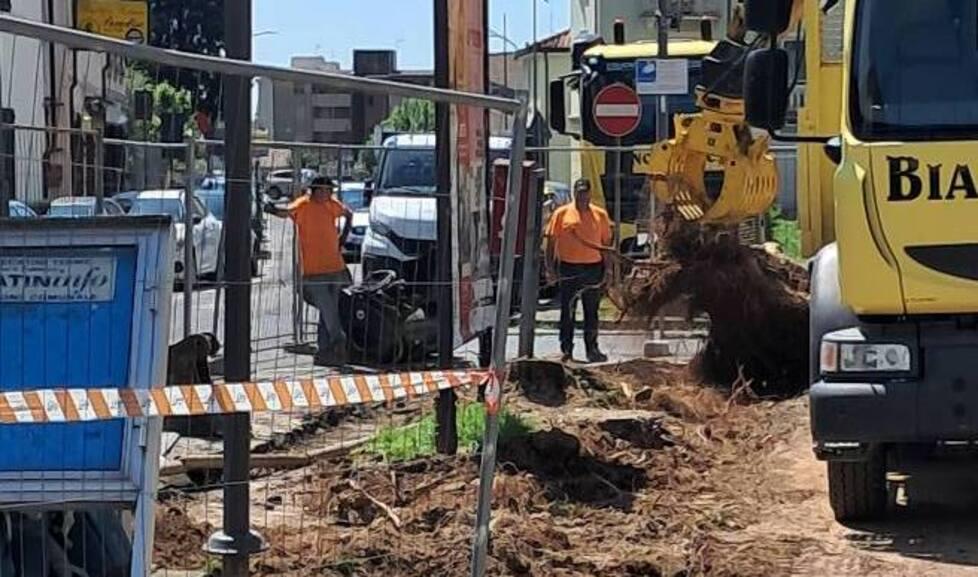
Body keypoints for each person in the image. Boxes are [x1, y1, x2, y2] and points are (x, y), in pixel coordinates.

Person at [266, 176, 353, 366]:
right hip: (313, 273)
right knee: (328, 309)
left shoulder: (332, 204)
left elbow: (348, 214)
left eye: (329, 190)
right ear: (314, 191)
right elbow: (286, 212)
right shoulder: (303, 205)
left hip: (335, 268)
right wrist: (272, 209)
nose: (326, 194)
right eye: (322, 190)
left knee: (328, 311)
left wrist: (343, 238)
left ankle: (324, 353)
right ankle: (339, 341)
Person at [545, 178, 613, 364]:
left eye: (585, 193)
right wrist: (550, 268)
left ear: (590, 194)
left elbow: (606, 245)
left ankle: (592, 349)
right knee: (568, 311)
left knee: (591, 311)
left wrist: (608, 271)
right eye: (579, 192)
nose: (582, 196)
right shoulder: (562, 214)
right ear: (574, 193)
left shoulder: (600, 215)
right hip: (568, 268)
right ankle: (566, 350)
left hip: (593, 269)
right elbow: (551, 243)